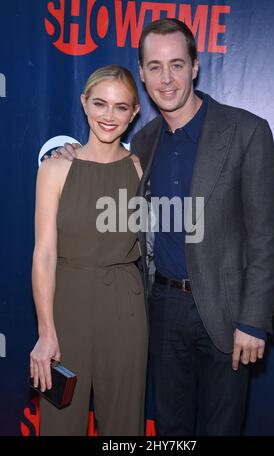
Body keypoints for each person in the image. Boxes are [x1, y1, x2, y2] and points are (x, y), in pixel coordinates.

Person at [56, 19, 274, 436]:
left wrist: (253, 321)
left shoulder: (246, 131)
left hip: (227, 313)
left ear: (195, 66)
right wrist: (70, 154)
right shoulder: (142, 144)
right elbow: (102, 169)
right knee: (169, 433)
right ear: (141, 73)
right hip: (159, 310)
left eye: (177, 64)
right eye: (155, 66)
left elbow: (266, 236)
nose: (166, 78)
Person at [30, 65, 148, 436]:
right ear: (84, 103)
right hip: (67, 306)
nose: (108, 117)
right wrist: (46, 331)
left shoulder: (141, 167)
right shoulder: (56, 168)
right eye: (100, 104)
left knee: (124, 426)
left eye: (120, 107)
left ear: (134, 113)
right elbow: (44, 254)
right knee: (59, 422)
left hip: (126, 309)